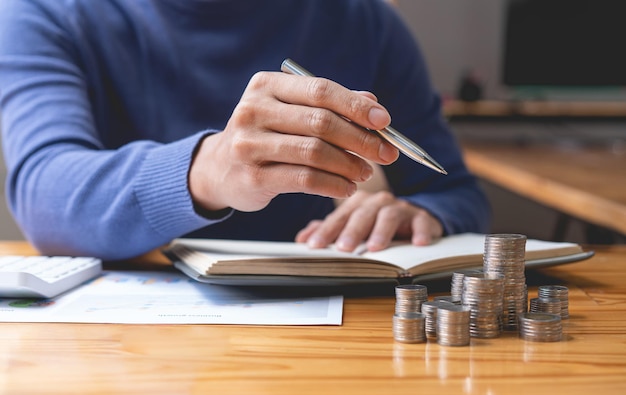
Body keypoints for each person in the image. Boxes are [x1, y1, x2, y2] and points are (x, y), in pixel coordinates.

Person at [0, 0, 490, 261]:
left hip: (325, 340)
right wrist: (208, 170)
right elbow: (44, 193)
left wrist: (421, 215)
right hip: (126, 347)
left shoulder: (367, 20)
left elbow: (454, 192)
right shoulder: (43, 11)